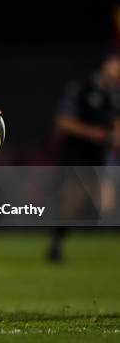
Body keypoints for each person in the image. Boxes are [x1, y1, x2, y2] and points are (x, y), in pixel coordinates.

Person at [47, 53, 120, 261]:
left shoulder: (114, 94)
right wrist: (92, 133)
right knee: (73, 203)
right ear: (104, 66)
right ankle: (56, 242)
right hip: (76, 154)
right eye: (114, 67)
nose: (116, 72)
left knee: (106, 204)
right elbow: (62, 121)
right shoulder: (82, 88)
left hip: (99, 156)